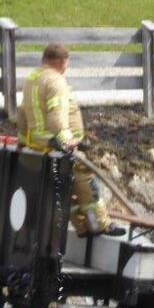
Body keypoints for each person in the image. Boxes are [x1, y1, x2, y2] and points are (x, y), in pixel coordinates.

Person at [18, 42, 125, 237]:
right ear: (62, 62)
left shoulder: (32, 79)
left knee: (65, 188)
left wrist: (23, 140)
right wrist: (67, 142)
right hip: (56, 145)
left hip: (39, 145)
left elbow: (23, 112)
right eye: (66, 63)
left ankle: (83, 227)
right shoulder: (55, 81)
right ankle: (99, 224)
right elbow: (57, 116)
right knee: (84, 180)